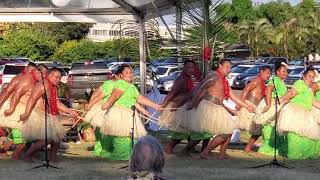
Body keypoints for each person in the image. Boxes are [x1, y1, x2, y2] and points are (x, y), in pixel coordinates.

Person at [183, 59, 255, 159]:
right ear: (220, 66)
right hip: (208, 107)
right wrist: (193, 103)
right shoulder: (213, 76)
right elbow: (200, 88)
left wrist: (246, 106)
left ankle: (220, 154)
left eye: (230, 68)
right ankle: (200, 152)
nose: (229, 70)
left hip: (218, 107)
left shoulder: (224, 80)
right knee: (203, 134)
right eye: (227, 67)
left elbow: (232, 96)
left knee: (229, 130)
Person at [84, 66, 150, 158]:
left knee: (118, 135)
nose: (120, 79)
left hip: (117, 111)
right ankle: (104, 151)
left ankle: (114, 152)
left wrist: (144, 111)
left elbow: (133, 101)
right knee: (104, 134)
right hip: (105, 110)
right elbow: (98, 95)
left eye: (130, 73)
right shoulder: (110, 84)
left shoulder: (129, 86)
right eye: (123, 74)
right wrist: (90, 104)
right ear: (119, 75)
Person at [98, 65, 161, 160]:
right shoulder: (121, 84)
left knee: (131, 137)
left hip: (128, 113)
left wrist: (155, 105)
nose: (129, 74)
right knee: (123, 138)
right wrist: (107, 103)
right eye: (126, 73)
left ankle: (129, 156)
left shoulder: (131, 86)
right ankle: (121, 157)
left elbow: (139, 98)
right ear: (121, 76)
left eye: (131, 72)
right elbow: (115, 95)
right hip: (120, 113)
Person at [19, 68, 78, 162]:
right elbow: (32, 99)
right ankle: (27, 156)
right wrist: (26, 114)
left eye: (60, 78)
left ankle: (53, 158)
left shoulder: (53, 87)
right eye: (56, 77)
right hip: (39, 115)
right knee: (49, 138)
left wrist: (69, 111)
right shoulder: (43, 84)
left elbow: (56, 103)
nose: (58, 80)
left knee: (57, 137)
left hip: (48, 115)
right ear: (49, 75)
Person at [160, 60, 211, 156]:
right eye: (188, 67)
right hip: (179, 107)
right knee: (182, 131)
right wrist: (163, 105)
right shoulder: (181, 80)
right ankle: (169, 147)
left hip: (186, 106)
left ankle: (189, 148)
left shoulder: (189, 78)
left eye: (192, 68)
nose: (190, 70)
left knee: (188, 129)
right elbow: (172, 93)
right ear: (184, 68)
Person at [0, 62, 42, 160]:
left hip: (16, 110)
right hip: (16, 111)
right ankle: (15, 157)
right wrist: (11, 109)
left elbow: (6, 93)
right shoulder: (27, 80)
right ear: (31, 71)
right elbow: (16, 95)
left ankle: (3, 150)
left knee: (14, 137)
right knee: (22, 142)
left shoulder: (20, 77)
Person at [277, 67, 320, 159]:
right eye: (309, 76)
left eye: (313, 77)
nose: (311, 79)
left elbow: (314, 103)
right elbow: (292, 93)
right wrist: (282, 98)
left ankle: (304, 154)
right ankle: (295, 155)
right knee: (296, 137)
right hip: (296, 115)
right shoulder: (300, 83)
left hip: (306, 116)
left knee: (309, 138)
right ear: (304, 77)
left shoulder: (309, 90)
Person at [255, 62, 289, 155]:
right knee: (270, 128)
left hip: (279, 107)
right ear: (277, 72)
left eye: (286, 71)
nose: (286, 73)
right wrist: (269, 104)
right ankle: (268, 148)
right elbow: (268, 89)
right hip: (273, 106)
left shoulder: (281, 82)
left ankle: (276, 148)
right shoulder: (275, 80)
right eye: (283, 71)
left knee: (277, 129)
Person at [237, 66, 271, 152]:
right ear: (261, 72)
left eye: (270, 74)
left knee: (257, 129)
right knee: (237, 126)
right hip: (248, 105)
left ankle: (247, 148)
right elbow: (246, 89)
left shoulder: (262, 83)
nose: (269, 75)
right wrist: (241, 104)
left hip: (255, 108)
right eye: (267, 73)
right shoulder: (257, 80)